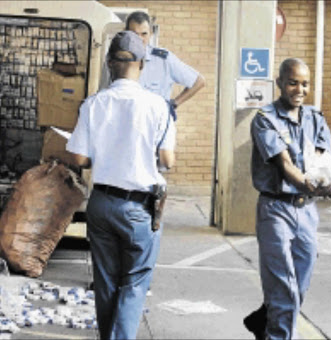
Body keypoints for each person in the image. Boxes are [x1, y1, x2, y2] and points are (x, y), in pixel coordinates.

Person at [66, 31, 175, 340]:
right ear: (142, 64)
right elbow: (168, 160)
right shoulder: (158, 106)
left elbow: (78, 156)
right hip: (140, 208)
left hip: (101, 203)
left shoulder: (93, 104)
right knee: (135, 283)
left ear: (109, 64)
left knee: (106, 281)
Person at [246, 58, 331, 339]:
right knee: (284, 288)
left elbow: (322, 163)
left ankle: (264, 321)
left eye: (305, 83)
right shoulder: (265, 120)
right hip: (276, 210)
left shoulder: (315, 118)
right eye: (293, 82)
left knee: (299, 283)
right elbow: (286, 168)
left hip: (306, 211)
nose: (299, 89)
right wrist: (316, 187)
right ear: (279, 83)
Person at [126, 11, 205, 120]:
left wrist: (174, 104)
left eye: (144, 34)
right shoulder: (116, 60)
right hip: (128, 123)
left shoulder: (163, 59)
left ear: (151, 33)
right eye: (134, 34)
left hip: (156, 125)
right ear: (126, 33)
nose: (139, 39)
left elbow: (198, 81)